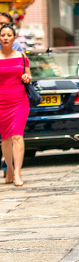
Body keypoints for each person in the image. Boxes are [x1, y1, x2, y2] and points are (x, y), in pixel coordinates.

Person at [0, 24, 32, 186]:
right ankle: (9, 169)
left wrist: (27, 78)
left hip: (19, 100)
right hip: (1, 102)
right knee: (5, 139)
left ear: (14, 38)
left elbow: (28, 76)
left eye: (8, 35)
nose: (5, 37)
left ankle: (18, 172)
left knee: (17, 135)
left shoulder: (21, 56)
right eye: (3, 35)